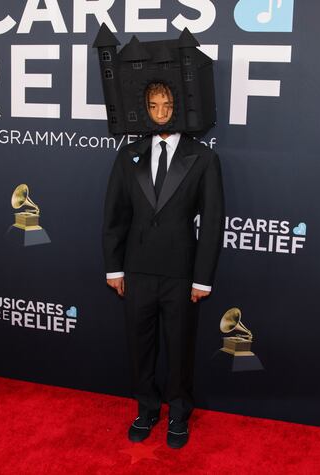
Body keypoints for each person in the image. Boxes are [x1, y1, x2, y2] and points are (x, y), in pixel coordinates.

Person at [103, 82, 225, 449]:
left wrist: (202, 278)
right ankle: (146, 408)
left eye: (167, 104)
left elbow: (214, 221)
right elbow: (115, 216)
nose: (160, 112)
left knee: (180, 346)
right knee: (139, 345)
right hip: (137, 269)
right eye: (153, 105)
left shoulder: (202, 157)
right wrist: (114, 268)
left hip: (181, 271)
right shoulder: (129, 155)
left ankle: (178, 413)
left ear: (180, 106)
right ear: (144, 108)